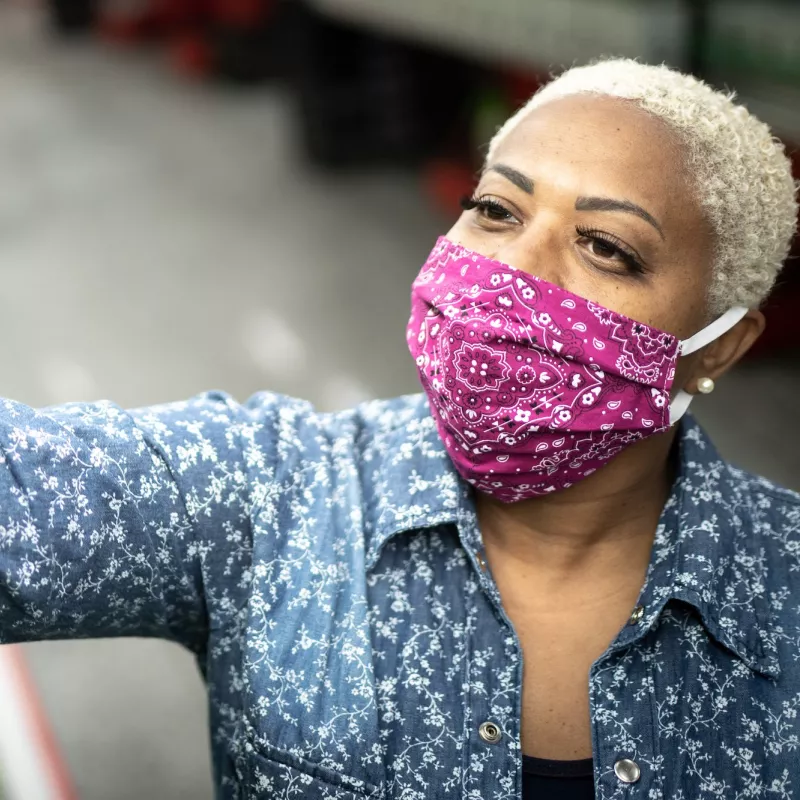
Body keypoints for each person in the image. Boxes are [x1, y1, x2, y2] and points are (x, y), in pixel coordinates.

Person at [0, 57, 798, 800]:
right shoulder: (270, 496)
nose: (511, 270)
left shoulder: (781, 590)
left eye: (606, 247)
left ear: (719, 345)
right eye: (495, 209)